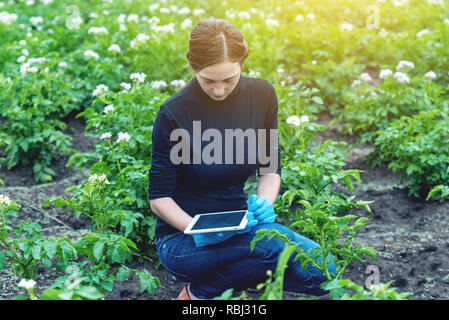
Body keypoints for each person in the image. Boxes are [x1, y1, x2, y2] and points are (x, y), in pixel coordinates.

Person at [148, 18, 336, 300]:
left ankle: (216, 288)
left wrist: (264, 203)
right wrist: (195, 229)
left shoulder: (262, 95)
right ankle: (207, 292)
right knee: (272, 244)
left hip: (242, 227)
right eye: (208, 80)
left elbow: (270, 167)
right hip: (183, 241)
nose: (220, 90)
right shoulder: (174, 112)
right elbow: (159, 198)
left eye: (230, 80)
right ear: (193, 67)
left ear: (242, 65)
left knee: (324, 273)